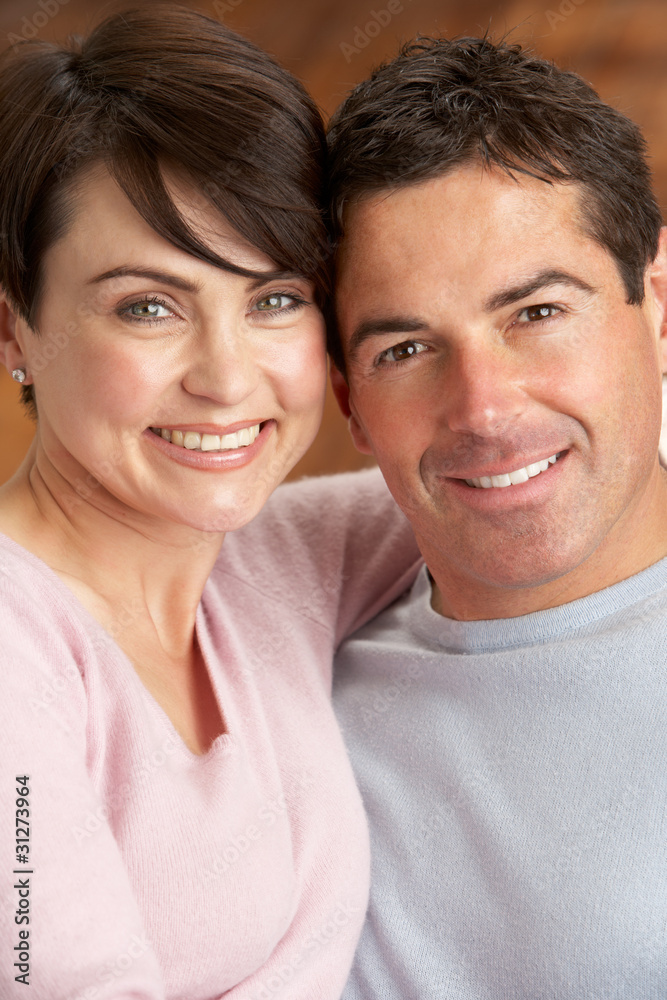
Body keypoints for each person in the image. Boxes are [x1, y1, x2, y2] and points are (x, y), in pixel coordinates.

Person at [0, 7, 420, 997]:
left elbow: (502, 463)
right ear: (15, 329)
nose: (227, 379)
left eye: (274, 296)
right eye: (148, 306)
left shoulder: (274, 562)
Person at [328, 36, 667, 999]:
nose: (483, 409)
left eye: (536, 312)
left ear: (655, 302)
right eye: (403, 349)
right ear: (347, 402)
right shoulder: (282, 668)